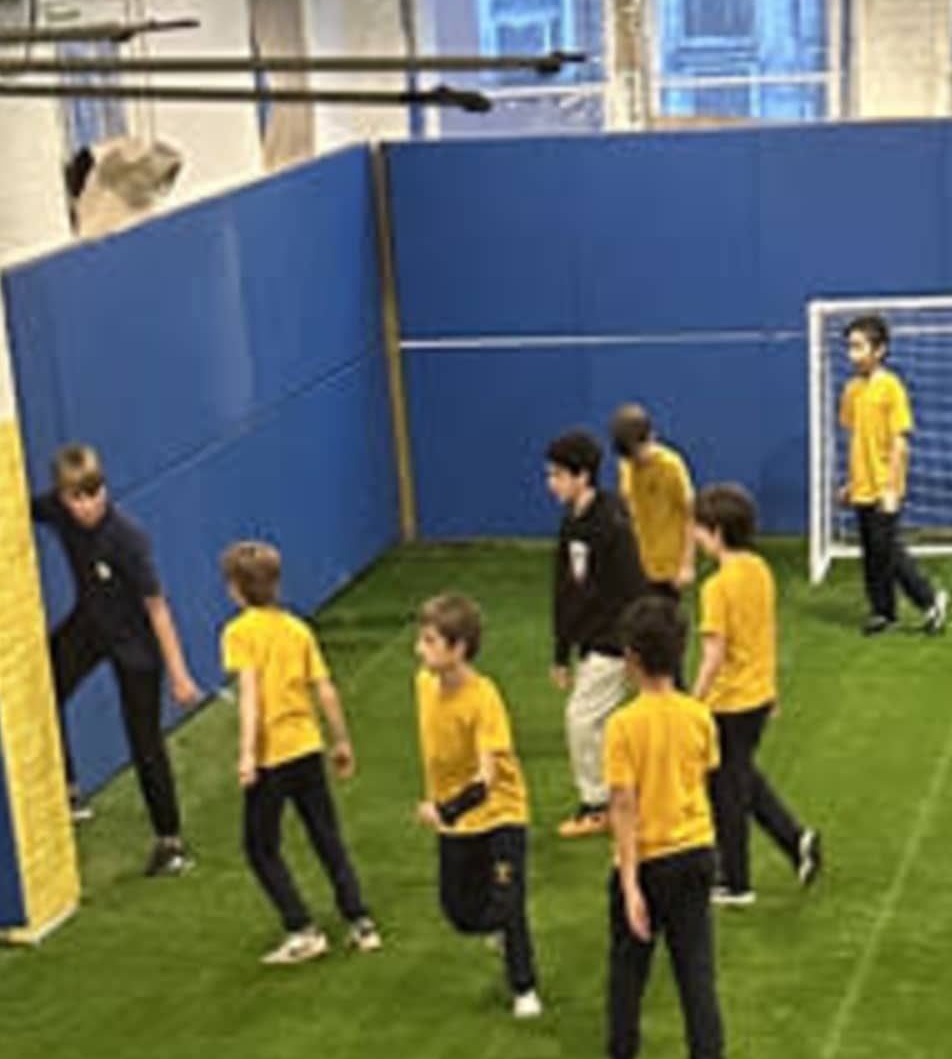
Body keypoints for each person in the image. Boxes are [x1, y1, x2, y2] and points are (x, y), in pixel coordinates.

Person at [34, 445, 200, 875]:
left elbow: (157, 607)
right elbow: (16, 507)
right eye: (77, 498)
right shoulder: (56, 511)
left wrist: (179, 674)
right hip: (90, 626)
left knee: (144, 742)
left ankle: (170, 841)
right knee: (42, 684)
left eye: (95, 493)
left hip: (136, 647)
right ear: (63, 497)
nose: (88, 505)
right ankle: (68, 791)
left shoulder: (127, 538)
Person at [218, 540, 380, 970]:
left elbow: (250, 696)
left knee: (259, 846)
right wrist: (341, 740)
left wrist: (247, 755)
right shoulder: (297, 628)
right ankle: (360, 920)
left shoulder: (238, 633)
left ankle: (302, 929)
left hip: (273, 757)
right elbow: (324, 689)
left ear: (235, 588)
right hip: (307, 747)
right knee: (326, 836)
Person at [601, 589, 724, 1059]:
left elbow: (624, 806)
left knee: (629, 968)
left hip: (648, 857)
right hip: (696, 850)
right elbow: (704, 774)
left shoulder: (623, 726)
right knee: (695, 964)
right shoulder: (698, 716)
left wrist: (630, 883)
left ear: (631, 657)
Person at [690, 485, 820, 908]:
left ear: (716, 531)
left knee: (727, 792)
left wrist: (693, 702)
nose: (694, 536)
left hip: (728, 703)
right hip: (758, 698)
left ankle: (735, 881)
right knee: (741, 778)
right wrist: (772, 687)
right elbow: (767, 632)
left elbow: (714, 653)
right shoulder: (760, 570)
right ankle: (796, 839)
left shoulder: (716, 588)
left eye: (699, 528)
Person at [412, 594, 542, 1018]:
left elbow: (486, 779)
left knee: (509, 900)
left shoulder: (484, 698)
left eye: (430, 641)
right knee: (460, 913)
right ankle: (498, 929)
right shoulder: (423, 685)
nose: (420, 649)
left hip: (500, 814)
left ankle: (524, 987)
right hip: (457, 826)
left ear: (459, 648)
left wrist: (446, 810)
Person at [544, 433, 647, 836]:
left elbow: (632, 587)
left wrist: (632, 646)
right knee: (598, 721)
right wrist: (560, 651)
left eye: (557, 475)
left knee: (582, 719)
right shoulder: (573, 520)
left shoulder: (611, 526)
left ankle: (597, 803)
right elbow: (565, 590)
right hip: (593, 641)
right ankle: (621, 795)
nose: (550, 483)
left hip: (615, 642)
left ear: (582, 476)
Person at [839, 314, 948, 636]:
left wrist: (890, 487)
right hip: (861, 487)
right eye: (850, 347)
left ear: (880, 349)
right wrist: (850, 482)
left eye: (859, 347)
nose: (852, 354)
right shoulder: (851, 391)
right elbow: (856, 439)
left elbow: (901, 443)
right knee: (872, 554)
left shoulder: (891, 388)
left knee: (888, 550)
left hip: (885, 488)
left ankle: (930, 601)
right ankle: (882, 612)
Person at [609, 405, 695, 638]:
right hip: (635, 566)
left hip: (667, 570)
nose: (635, 461)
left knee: (665, 641)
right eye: (629, 456)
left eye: (638, 453)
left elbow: (690, 515)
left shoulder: (671, 467)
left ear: (651, 438)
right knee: (636, 639)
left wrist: (686, 564)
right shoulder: (626, 466)